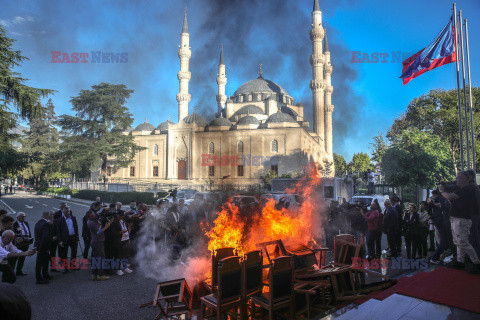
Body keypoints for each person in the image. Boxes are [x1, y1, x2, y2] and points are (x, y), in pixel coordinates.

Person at [441, 171, 480, 273]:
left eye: (458, 178)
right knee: (457, 242)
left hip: (461, 219)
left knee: (463, 242)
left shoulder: (468, 189)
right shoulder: (464, 189)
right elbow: (452, 199)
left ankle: (476, 262)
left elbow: (450, 197)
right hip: (456, 218)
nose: (456, 180)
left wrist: (442, 192)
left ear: (465, 179)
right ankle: (460, 261)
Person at [87, 210, 113, 281]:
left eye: (93, 214)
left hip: (94, 242)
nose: (94, 215)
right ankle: (100, 275)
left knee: (95, 258)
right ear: (90, 217)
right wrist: (106, 227)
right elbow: (98, 232)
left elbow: (98, 213)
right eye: (92, 215)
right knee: (101, 259)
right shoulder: (92, 223)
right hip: (98, 242)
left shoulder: (90, 220)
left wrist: (103, 209)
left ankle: (94, 274)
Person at [54, 206, 79, 273]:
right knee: (64, 254)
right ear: (63, 212)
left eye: (69, 211)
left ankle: (72, 265)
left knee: (74, 252)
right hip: (65, 239)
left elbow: (76, 227)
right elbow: (58, 231)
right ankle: (66, 267)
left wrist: (77, 237)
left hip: (73, 237)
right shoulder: (60, 220)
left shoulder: (73, 218)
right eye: (66, 211)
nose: (68, 212)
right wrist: (60, 241)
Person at [34, 211, 54, 284]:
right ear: (48, 217)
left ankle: (45, 275)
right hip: (44, 247)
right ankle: (39, 279)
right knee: (43, 263)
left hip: (38, 245)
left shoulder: (38, 222)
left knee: (41, 262)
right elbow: (46, 237)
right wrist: (47, 248)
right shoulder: (46, 224)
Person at [111, 210, 132, 276]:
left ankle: (125, 267)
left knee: (126, 254)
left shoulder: (124, 220)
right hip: (119, 241)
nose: (122, 217)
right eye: (121, 216)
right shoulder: (114, 222)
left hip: (126, 239)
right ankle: (118, 269)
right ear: (118, 215)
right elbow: (112, 233)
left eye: (123, 216)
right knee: (119, 255)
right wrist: (120, 232)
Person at [465, 169, 480, 257]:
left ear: (470, 176)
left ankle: (475, 256)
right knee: (474, 235)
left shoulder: (471, 187)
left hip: (473, 214)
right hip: (475, 213)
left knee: (473, 236)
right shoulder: (474, 186)